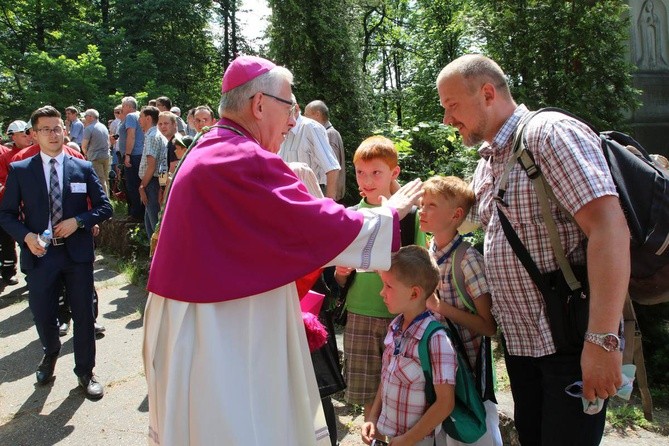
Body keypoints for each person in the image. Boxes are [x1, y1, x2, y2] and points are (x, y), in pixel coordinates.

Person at [143, 55, 424, 446]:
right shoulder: (245, 157)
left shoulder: (209, 145)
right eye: (288, 107)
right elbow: (311, 226)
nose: (293, 120)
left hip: (199, 316)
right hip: (222, 330)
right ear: (259, 105)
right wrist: (388, 214)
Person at [437, 54, 629, 445]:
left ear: (487, 93)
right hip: (524, 347)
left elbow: (609, 229)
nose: (447, 119)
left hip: (570, 345)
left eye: (452, 106)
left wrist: (603, 340)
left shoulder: (551, 134)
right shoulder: (489, 161)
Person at [0, 105, 112, 398]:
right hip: (40, 256)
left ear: (65, 129)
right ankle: (50, 353)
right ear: (34, 134)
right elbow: (6, 214)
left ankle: (86, 372)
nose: (53, 134)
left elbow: (104, 207)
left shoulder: (82, 167)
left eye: (57, 128)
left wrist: (79, 221)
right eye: (45, 129)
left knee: (84, 314)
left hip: (76, 255)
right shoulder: (21, 170)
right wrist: (26, 237)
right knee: (43, 312)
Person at [335, 135, 425, 418]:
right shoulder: (349, 216)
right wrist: (340, 273)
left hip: (398, 317)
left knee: (399, 391)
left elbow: (422, 269)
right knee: (366, 394)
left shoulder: (412, 217)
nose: (367, 180)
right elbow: (338, 281)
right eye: (361, 172)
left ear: (394, 173)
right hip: (359, 313)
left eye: (376, 172)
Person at [420, 175, 501, 446]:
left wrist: (439, 307)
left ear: (456, 215)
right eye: (422, 202)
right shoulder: (426, 254)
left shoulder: (468, 260)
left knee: (475, 436)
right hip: (438, 371)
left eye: (431, 205)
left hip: (469, 378)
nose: (422, 209)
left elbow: (489, 326)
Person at [361, 245, 456, 446]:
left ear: (414, 293)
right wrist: (372, 418)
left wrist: (408, 439)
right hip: (393, 438)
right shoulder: (394, 327)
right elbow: (386, 376)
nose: (381, 292)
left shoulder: (436, 340)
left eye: (388, 286)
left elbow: (445, 403)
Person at [278, 96, 341, 199]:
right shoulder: (282, 131)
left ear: (297, 109)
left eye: (286, 113)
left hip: (310, 199)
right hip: (288, 199)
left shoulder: (311, 128)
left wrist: (329, 206)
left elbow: (332, 168)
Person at [0, 120, 34, 286]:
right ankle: (9, 271)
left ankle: (32, 274)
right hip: (11, 206)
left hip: (32, 206)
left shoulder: (37, 152)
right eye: (23, 134)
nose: (28, 137)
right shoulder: (6, 156)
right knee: (9, 240)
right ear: (13, 137)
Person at [304, 100, 346, 202]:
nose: (304, 119)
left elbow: (331, 170)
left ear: (317, 114)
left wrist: (329, 199)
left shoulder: (329, 134)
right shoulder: (330, 133)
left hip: (327, 193)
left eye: (306, 115)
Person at [138, 106, 167, 239]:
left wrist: (142, 186)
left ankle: (156, 257)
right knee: (149, 222)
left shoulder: (151, 136)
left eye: (141, 116)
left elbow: (151, 165)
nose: (139, 120)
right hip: (155, 182)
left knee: (154, 224)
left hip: (151, 183)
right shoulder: (158, 135)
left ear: (148, 118)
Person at [118, 96, 145, 222]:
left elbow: (131, 135)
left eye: (123, 106)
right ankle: (140, 212)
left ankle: (136, 214)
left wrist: (127, 154)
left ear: (128, 106)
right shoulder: (140, 115)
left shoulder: (130, 117)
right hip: (141, 154)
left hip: (133, 155)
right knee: (140, 184)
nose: (122, 109)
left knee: (132, 185)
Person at [81, 109, 111, 197]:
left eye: (85, 116)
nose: (85, 118)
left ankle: (104, 202)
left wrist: (86, 154)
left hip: (95, 157)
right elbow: (108, 142)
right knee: (106, 179)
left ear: (90, 117)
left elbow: (84, 145)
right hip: (106, 156)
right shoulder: (103, 126)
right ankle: (108, 198)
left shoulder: (89, 128)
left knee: (100, 180)